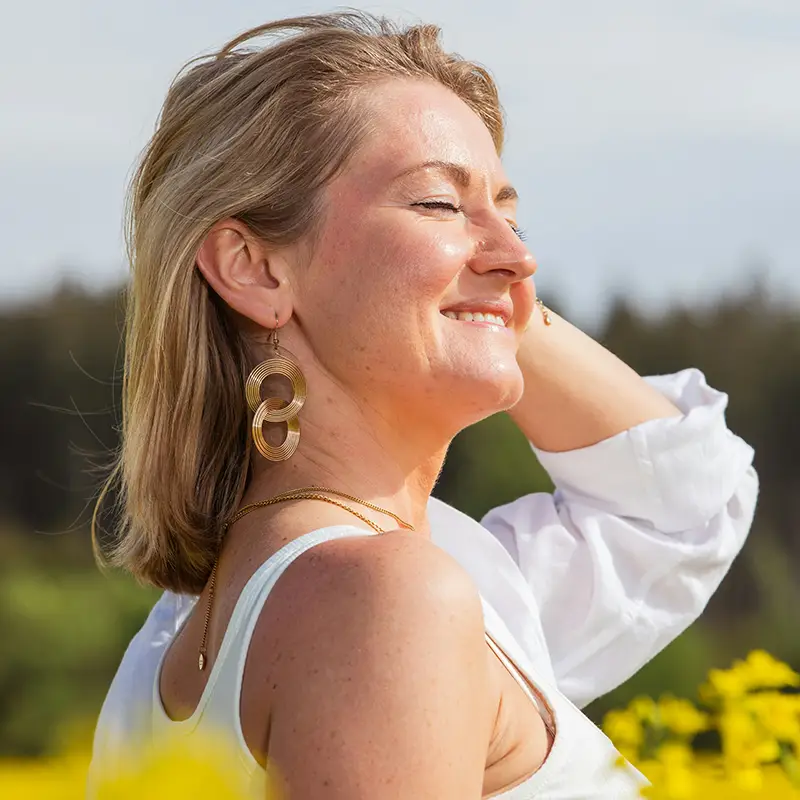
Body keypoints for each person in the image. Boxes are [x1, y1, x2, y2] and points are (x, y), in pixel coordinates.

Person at [87, 12, 758, 800]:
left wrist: (483, 292)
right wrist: (466, 295)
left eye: (512, 214)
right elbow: (678, 510)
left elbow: (684, 506)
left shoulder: (184, 638)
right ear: (255, 269)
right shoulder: (381, 601)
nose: (521, 255)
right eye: (439, 203)